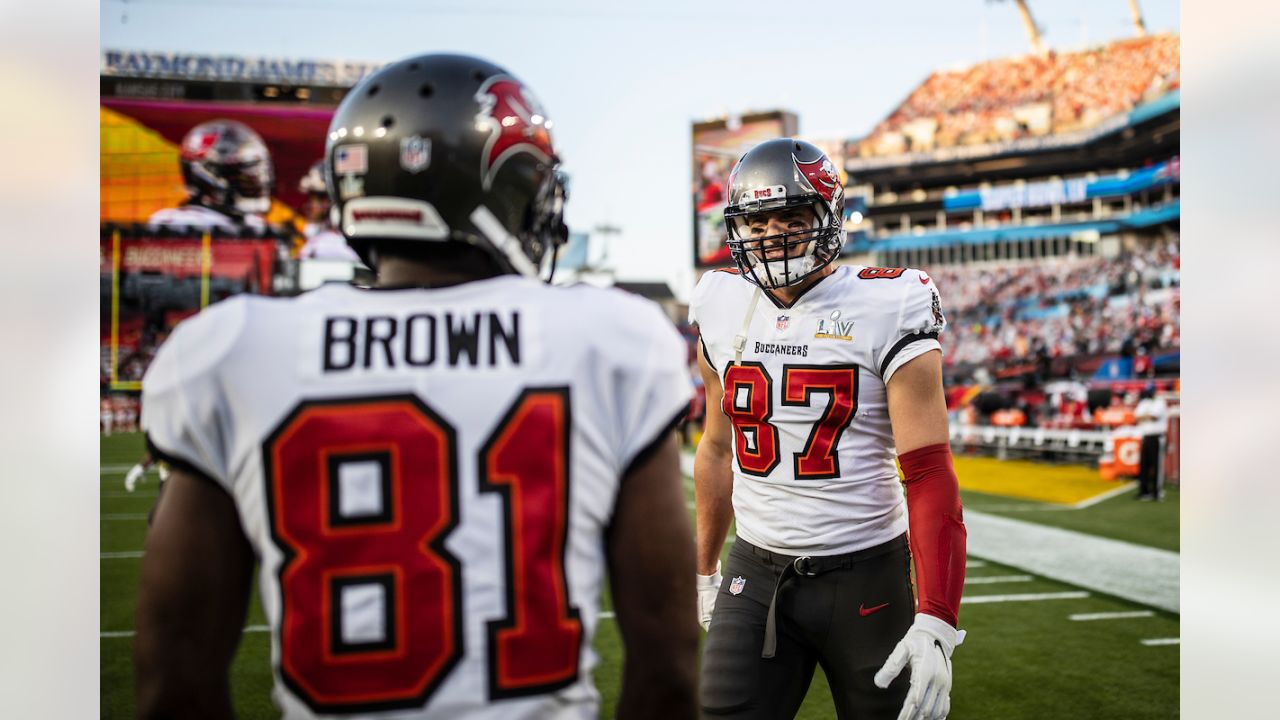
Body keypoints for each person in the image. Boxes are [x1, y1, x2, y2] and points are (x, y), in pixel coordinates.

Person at [135, 53, 699, 719]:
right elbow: (667, 668)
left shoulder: (232, 347)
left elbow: (173, 678)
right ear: (497, 188)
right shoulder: (607, 337)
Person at [691, 138, 967, 719]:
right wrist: (703, 570)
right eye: (758, 220)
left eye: (792, 215)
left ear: (828, 216)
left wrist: (938, 615)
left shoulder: (888, 301)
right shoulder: (719, 303)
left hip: (866, 573)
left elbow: (927, 469)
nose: (773, 234)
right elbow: (716, 450)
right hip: (755, 569)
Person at [147, 119, 275, 233]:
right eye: (238, 174)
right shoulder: (175, 223)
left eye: (255, 174)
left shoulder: (255, 225)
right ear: (205, 176)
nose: (256, 182)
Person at [1133, 383, 1168, 500]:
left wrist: (1144, 416)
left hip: (1157, 437)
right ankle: (1144, 491)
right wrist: (1146, 416)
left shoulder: (1160, 402)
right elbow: (1136, 417)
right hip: (1146, 436)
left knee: (1156, 465)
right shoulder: (1144, 402)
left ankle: (1156, 492)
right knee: (1144, 465)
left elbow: (1154, 417)